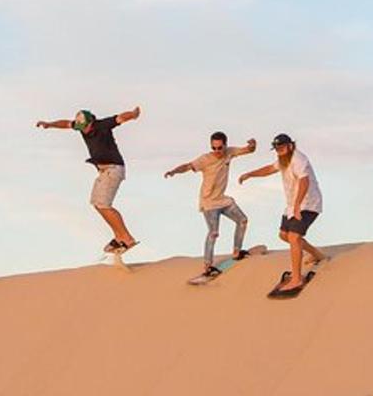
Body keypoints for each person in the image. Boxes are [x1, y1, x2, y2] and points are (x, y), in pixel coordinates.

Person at [36, 107, 141, 253]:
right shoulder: (80, 127)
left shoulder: (102, 125)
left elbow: (121, 118)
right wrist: (49, 124)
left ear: (91, 121)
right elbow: (66, 123)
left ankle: (127, 238)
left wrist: (134, 115)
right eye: (80, 128)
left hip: (113, 168)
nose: (83, 130)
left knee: (103, 205)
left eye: (85, 126)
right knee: (97, 204)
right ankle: (119, 238)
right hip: (104, 171)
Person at [238, 133, 324, 293]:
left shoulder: (299, 159)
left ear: (290, 146)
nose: (280, 151)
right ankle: (316, 254)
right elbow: (270, 169)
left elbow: (304, 181)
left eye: (282, 148)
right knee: (284, 235)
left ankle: (297, 279)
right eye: (277, 149)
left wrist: (298, 206)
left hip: (308, 204)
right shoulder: (283, 160)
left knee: (294, 236)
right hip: (293, 205)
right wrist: (250, 174)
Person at [165, 132, 258, 278]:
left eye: (219, 148)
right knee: (213, 233)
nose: (217, 151)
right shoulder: (205, 159)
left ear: (225, 145)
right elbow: (188, 166)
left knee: (242, 220)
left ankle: (236, 252)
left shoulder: (230, 152)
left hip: (222, 200)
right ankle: (207, 267)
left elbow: (248, 150)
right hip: (208, 203)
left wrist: (253, 145)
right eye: (213, 148)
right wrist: (174, 171)